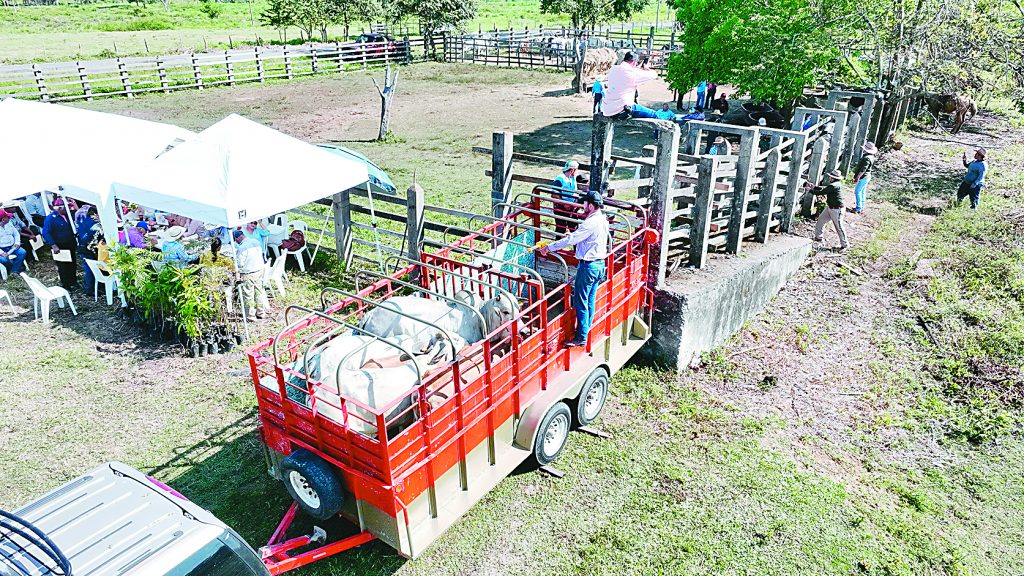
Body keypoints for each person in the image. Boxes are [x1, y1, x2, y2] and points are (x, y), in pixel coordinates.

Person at [538, 191, 609, 348]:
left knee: (580, 301)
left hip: (588, 266)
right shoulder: (602, 220)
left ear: (590, 205)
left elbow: (572, 240)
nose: (582, 206)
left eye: (584, 203)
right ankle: (586, 329)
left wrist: (549, 248)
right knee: (589, 299)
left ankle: (581, 337)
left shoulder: (589, 223)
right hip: (599, 264)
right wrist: (574, 235)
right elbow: (585, 240)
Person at [599, 52, 659, 120]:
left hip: (607, 109)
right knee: (655, 115)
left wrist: (637, 69)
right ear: (634, 62)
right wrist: (647, 69)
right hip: (623, 109)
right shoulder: (631, 72)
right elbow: (654, 75)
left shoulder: (613, 69)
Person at [233, 229, 271, 319]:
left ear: (238, 238)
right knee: (259, 291)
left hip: (249, 272)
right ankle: (261, 312)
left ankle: (250, 315)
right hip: (259, 269)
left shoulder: (242, 248)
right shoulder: (256, 241)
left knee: (248, 294)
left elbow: (240, 264)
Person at [41, 197, 78, 290]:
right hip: (60, 245)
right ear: (60, 208)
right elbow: (46, 232)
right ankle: (66, 284)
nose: (68, 209)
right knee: (63, 266)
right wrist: (53, 245)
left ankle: (73, 280)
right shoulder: (50, 218)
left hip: (70, 243)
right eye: (66, 207)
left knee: (72, 263)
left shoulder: (68, 215)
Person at [807, 169, 849, 250]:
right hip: (831, 207)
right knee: (821, 220)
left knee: (839, 227)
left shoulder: (833, 185)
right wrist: (814, 187)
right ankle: (818, 237)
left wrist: (810, 190)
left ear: (832, 178)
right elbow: (825, 190)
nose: (829, 178)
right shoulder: (835, 185)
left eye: (830, 177)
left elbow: (821, 192)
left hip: (837, 209)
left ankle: (845, 245)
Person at [849, 142, 878, 214]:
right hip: (867, 176)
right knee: (862, 191)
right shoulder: (871, 157)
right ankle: (861, 207)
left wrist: (857, 177)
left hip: (864, 177)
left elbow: (863, 170)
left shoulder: (866, 158)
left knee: (857, 191)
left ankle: (858, 208)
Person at [551, 160, 580, 234]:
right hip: (561, 207)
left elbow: (575, 191)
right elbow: (554, 194)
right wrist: (564, 204)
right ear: (572, 170)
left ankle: (575, 245)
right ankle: (558, 244)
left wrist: (574, 203)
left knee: (574, 228)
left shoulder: (572, 178)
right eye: (576, 170)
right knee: (561, 229)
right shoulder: (560, 179)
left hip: (571, 207)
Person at [77, 206, 100, 294]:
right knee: (90, 269)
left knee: (89, 268)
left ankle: (92, 286)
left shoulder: (85, 220)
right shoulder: (92, 223)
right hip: (87, 248)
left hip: (84, 246)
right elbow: (95, 233)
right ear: (94, 214)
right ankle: (89, 289)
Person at [0, 210, 27, 276]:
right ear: (3, 219)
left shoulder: (9, 223)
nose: (9, 217)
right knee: (4, 260)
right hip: (2, 249)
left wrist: (17, 242)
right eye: (7, 217)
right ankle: (13, 268)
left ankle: (14, 271)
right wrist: (1, 253)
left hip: (13, 246)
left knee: (22, 252)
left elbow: (16, 234)